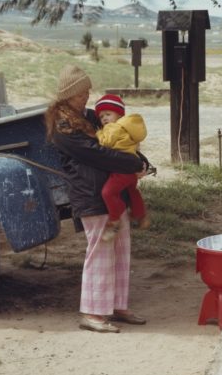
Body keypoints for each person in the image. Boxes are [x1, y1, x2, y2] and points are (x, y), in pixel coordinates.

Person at [45, 64, 148, 333]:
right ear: (68, 95)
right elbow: (96, 154)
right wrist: (132, 163)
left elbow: (120, 137)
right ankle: (92, 312)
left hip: (112, 193)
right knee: (100, 253)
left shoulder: (88, 116)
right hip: (90, 195)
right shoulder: (62, 124)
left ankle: (117, 306)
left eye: (88, 92)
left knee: (120, 250)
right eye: (81, 93)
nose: (86, 97)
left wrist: (139, 159)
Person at [94, 93, 150, 241]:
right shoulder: (127, 128)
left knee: (108, 193)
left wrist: (98, 133)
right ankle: (140, 215)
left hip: (121, 170)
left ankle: (114, 219)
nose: (104, 118)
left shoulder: (113, 128)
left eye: (108, 114)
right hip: (131, 168)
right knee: (133, 191)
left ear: (118, 115)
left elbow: (105, 143)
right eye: (101, 116)